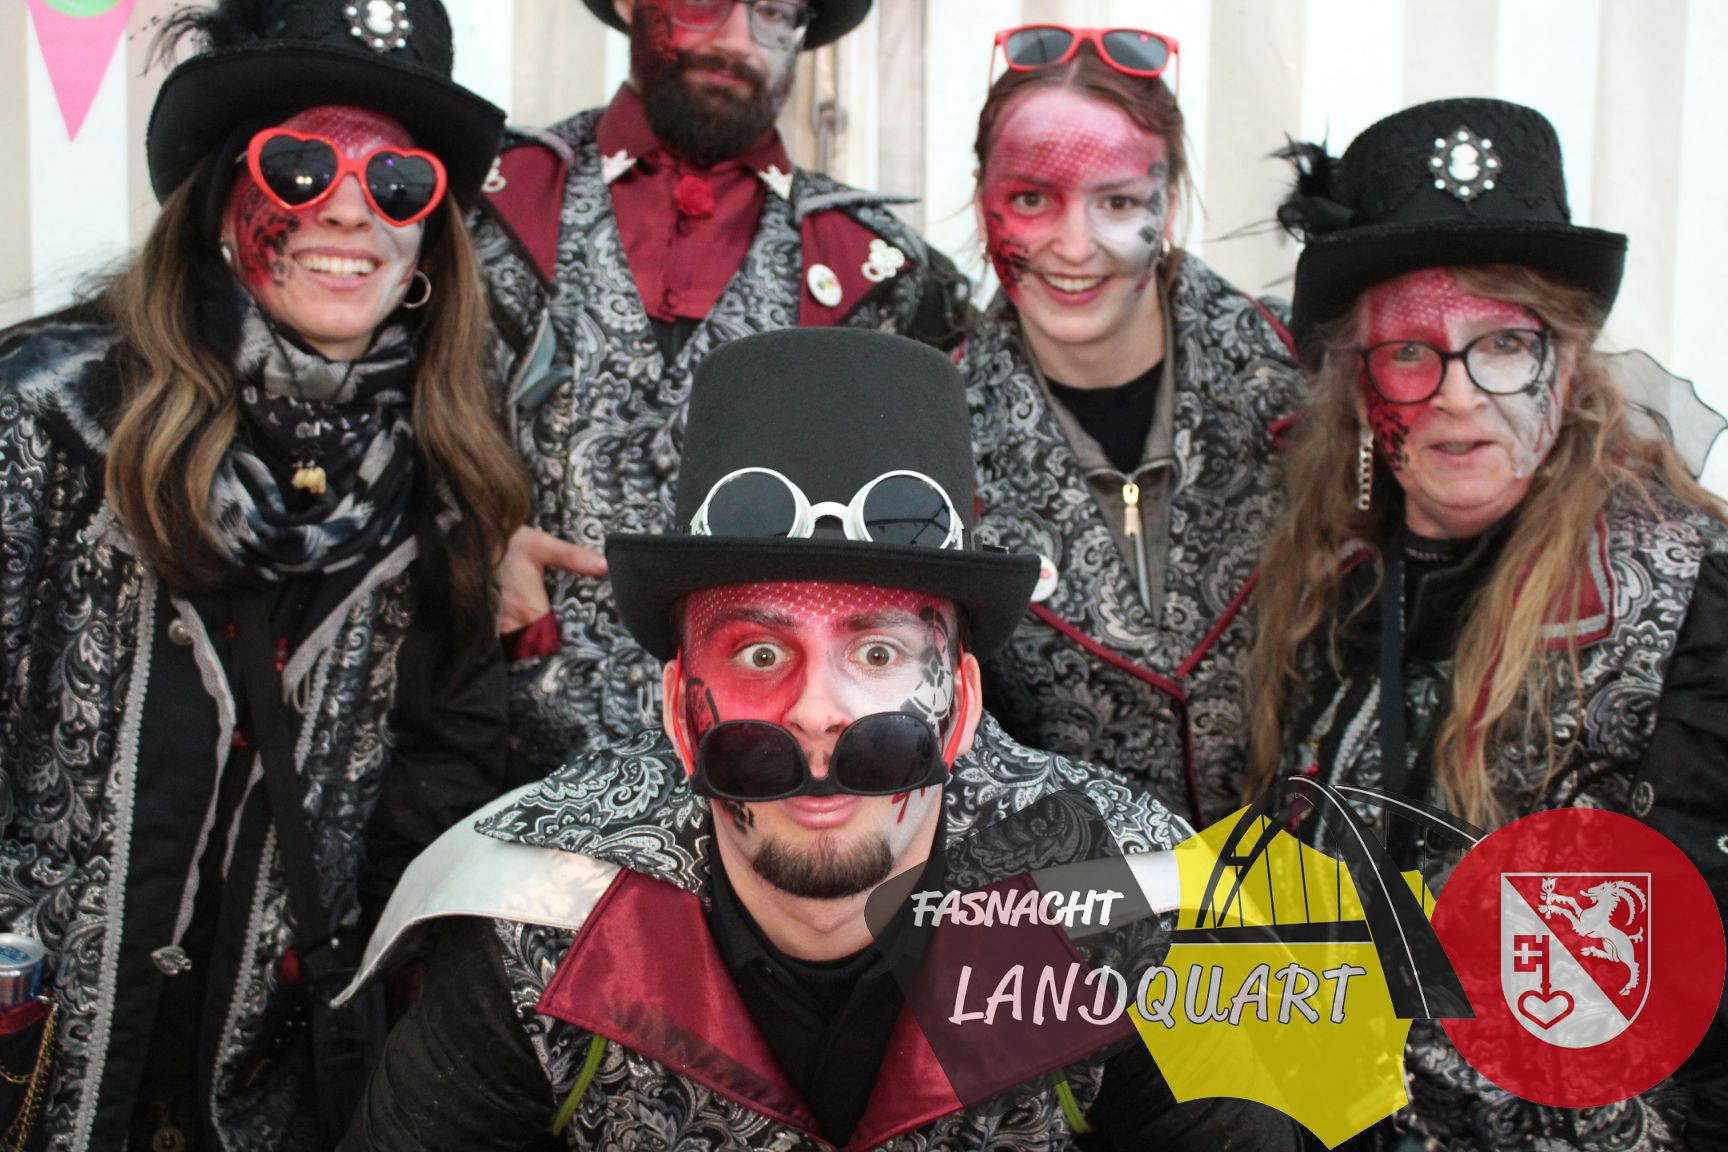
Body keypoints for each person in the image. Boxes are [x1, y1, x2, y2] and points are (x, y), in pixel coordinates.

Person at [339, 329, 1299, 1150]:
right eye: (758, 652)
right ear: (678, 714)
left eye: (878, 651)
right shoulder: (533, 913)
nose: (815, 708)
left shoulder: (1144, 899)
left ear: (963, 707)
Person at [0, 2, 530, 1147]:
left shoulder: (444, 489)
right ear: (218, 199)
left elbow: (437, 791)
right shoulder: (49, 420)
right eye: (300, 166)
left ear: (429, 241)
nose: (349, 209)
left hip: (261, 1110)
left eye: (399, 182)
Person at [1246, 97, 1728, 1149]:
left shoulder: (1690, 606)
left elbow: (1677, 986)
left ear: (1569, 359)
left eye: (1504, 344)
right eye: (1410, 352)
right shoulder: (1330, 590)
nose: (1460, 396)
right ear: (1361, 384)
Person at [485, 0, 970, 778]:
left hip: (774, 765)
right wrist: (477, 549)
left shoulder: (879, 269)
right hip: (492, 746)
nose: (738, 40)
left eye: (774, 10)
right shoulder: (494, 205)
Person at [958, 25, 1306, 828]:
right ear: (984, 202)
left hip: (1311, 893)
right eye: (1031, 199)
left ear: (1170, 203)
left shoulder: (1306, 378)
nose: (1075, 247)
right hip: (1070, 898)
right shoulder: (932, 437)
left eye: (1116, 202)